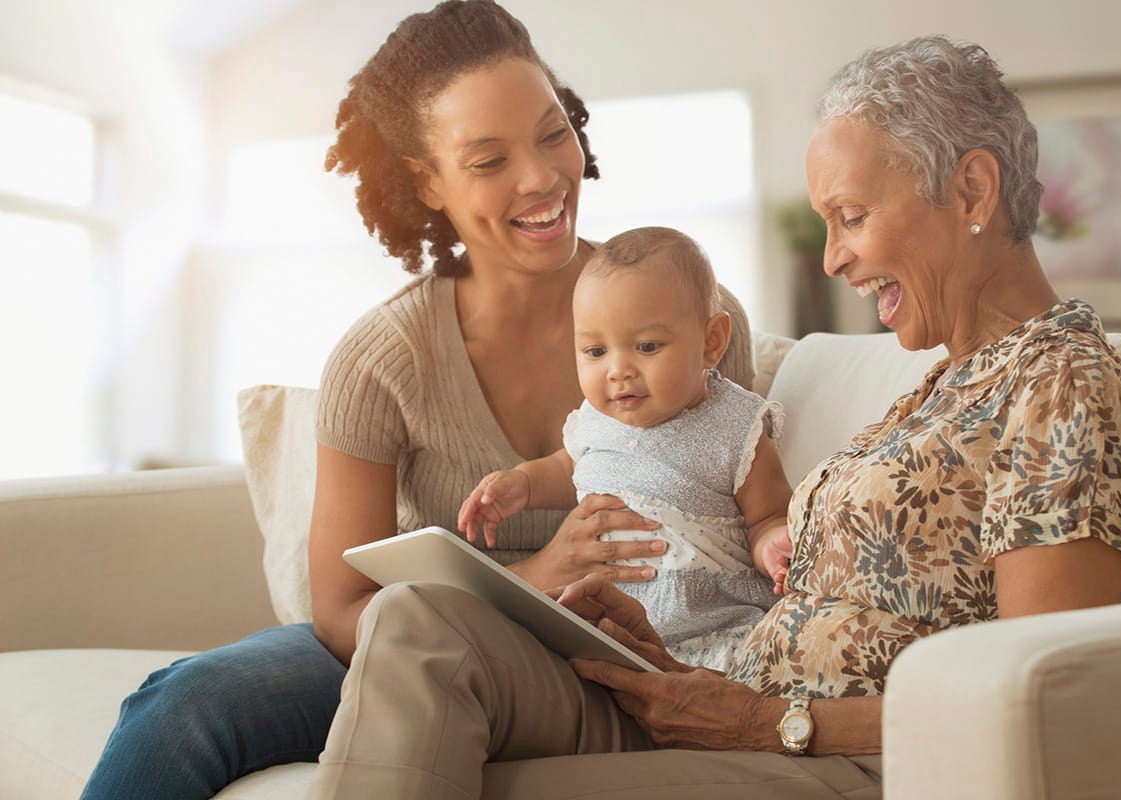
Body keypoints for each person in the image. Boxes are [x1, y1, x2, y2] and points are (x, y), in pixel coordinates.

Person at [308, 35, 1121, 800]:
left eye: (852, 217)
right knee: (416, 621)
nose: (833, 256)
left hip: (820, 758)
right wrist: (671, 660)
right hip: (707, 695)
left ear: (971, 188)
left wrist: (771, 723)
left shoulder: (1060, 381)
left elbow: (1040, 686)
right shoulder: (945, 385)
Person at [79, 3, 756, 798]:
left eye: (551, 133)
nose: (540, 177)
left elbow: (749, 502)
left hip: (642, 638)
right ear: (425, 181)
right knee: (180, 706)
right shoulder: (382, 361)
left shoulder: (695, 317)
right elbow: (339, 608)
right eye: (487, 160)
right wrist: (529, 580)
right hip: (422, 644)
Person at [458, 226, 793, 671]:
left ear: (712, 341)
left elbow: (769, 515)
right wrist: (522, 484)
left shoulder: (737, 426)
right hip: (607, 631)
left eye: (647, 346)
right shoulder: (594, 421)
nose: (619, 371)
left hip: (710, 628)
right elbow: (570, 467)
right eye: (596, 351)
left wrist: (774, 543)